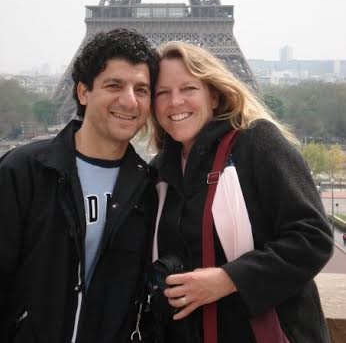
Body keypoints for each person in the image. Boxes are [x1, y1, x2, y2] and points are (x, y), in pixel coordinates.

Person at [150, 41, 333, 343]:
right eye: (162, 93)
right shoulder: (159, 171)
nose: (175, 102)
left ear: (214, 95)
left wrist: (228, 279)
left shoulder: (257, 143)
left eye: (188, 89)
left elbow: (313, 237)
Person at [0, 29, 159, 343]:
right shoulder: (23, 171)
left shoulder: (150, 188)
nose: (129, 100)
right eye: (114, 85)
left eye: (141, 90)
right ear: (83, 92)